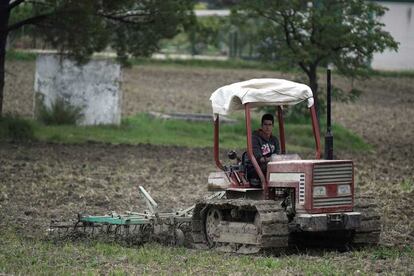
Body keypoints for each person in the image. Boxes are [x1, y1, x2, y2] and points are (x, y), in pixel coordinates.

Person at [247, 114, 280, 184]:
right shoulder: (255, 138)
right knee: (269, 168)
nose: (267, 127)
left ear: (273, 126)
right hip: (256, 168)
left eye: (270, 125)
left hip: (270, 166)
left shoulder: (274, 140)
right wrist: (272, 159)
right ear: (261, 125)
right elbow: (259, 158)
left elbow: (278, 155)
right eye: (265, 124)